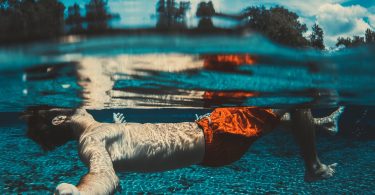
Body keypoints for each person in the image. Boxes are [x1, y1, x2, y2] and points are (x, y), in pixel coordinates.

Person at [22, 106, 344, 195]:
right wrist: (82, 194)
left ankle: (321, 123)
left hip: (211, 139)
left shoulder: (95, 130)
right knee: (297, 95)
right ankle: (313, 166)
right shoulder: (90, 141)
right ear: (60, 118)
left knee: (275, 113)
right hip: (214, 136)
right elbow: (104, 174)